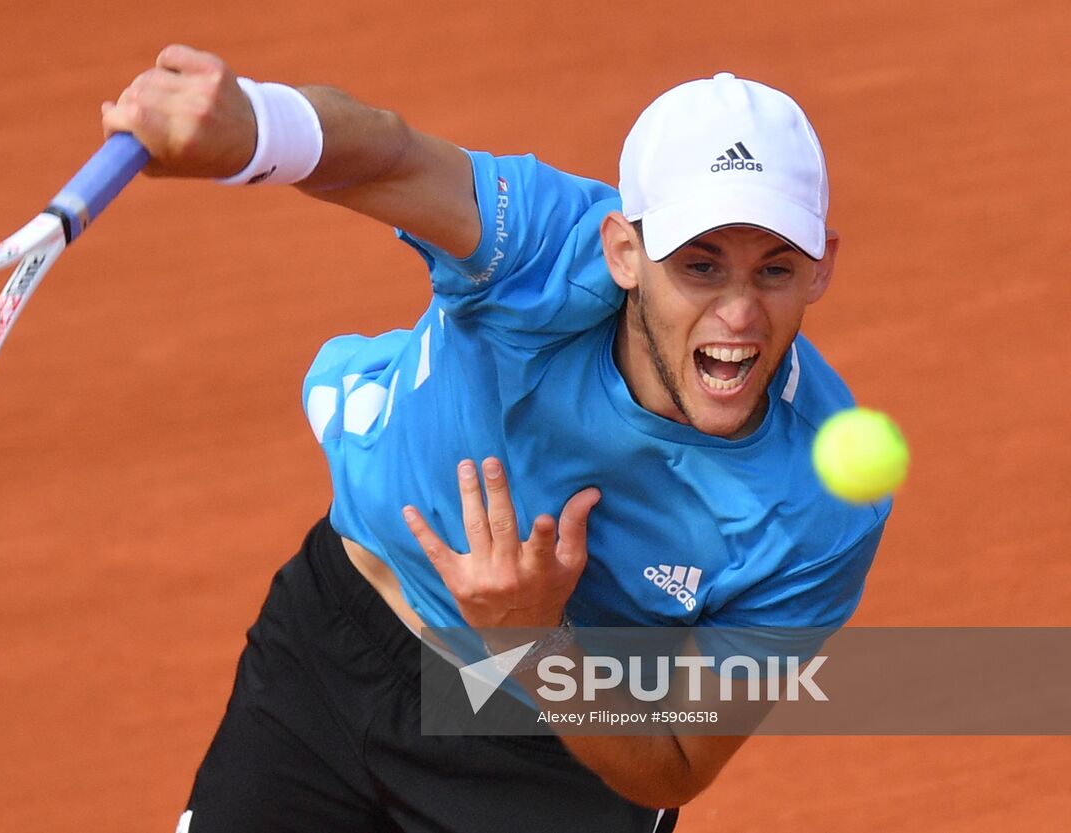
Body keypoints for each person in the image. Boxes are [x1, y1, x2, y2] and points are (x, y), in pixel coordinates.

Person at [101, 45, 891, 833]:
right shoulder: (543, 248)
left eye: (776, 270)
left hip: (552, 759)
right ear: (623, 251)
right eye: (701, 265)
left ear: (822, 269)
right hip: (334, 649)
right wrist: (256, 128)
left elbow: (678, 762)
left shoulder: (819, 506)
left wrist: (533, 644)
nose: (740, 313)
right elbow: (387, 155)